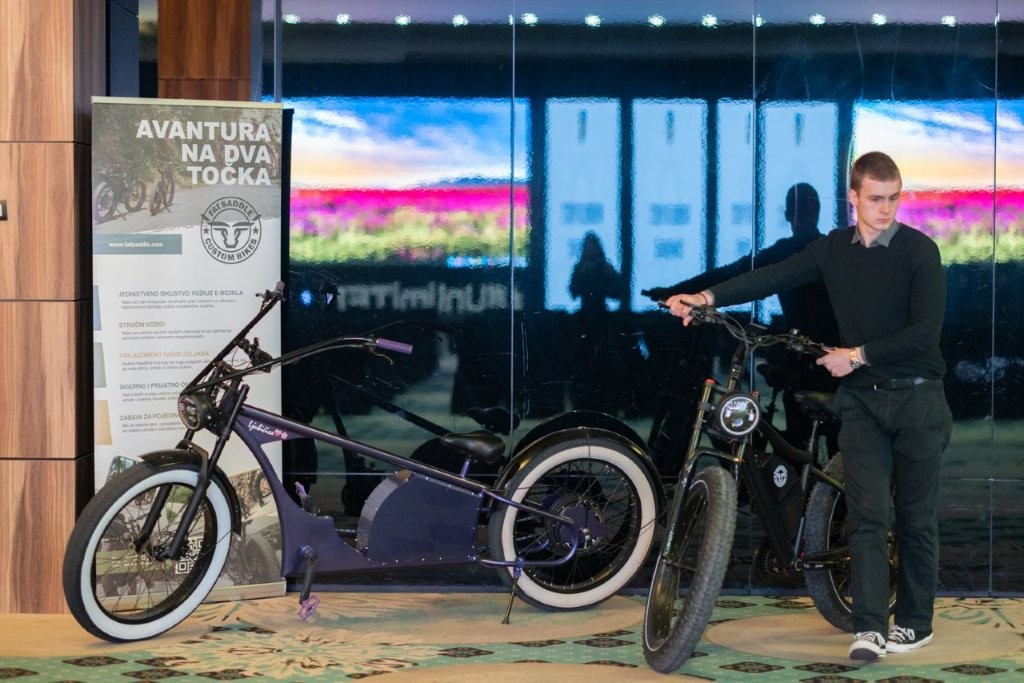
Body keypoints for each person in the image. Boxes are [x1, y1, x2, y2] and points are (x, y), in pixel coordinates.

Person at [664, 152, 952, 662]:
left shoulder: (919, 252)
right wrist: (705, 297)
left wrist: (855, 356)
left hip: (917, 398)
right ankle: (869, 628)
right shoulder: (832, 250)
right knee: (866, 515)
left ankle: (914, 622)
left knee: (914, 518)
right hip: (863, 402)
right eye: (876, 199)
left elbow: (923, 334)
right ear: (854, 197)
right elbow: (771, 276)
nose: (886, 209)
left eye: (893, 198)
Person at [647, 183, 841, 449]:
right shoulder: (784, 252)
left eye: (809, 208)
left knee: (835, 443)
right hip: (798, 359)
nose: (805, 216)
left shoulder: (825, 251)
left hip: (830, 358)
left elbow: (736, 272)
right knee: (798, 440)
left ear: (817, 210)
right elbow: (739, 274)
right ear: (788, 214)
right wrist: (683, 293)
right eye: (800, 210)